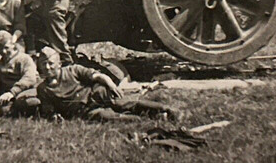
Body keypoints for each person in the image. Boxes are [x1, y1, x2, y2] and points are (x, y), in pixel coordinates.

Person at [35, 47, 173, 122]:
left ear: (59, 64)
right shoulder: (43, 89)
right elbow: (49, 110)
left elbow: (98, 75)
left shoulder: (73, 70)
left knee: (124, 104)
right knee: (109, 117)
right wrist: (54, 116)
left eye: (51, 64)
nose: (47, 67)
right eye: (43, 64)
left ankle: (164, 109)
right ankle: (146, 119)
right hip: (85, 111)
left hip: (97, 95)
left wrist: (112, 85)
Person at [0, 30, 40, 115]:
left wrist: (12, 92)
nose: (3, 51)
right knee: (4, 111)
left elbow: (30, 78)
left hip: (28, 89)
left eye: (6, 47)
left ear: (13, 45)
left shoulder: (24, 59)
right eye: (0, 48)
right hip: (11, 93)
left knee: (27, 102)